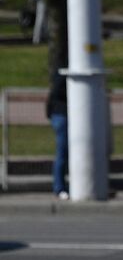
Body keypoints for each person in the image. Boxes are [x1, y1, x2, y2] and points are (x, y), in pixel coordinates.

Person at [45, 70, 68, 200]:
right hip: (62, 115)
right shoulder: (63, 77)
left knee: (64, 153)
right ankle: (59, 187)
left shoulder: (59, 75)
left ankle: (62, 186)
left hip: (58, 115)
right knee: (62, 153)